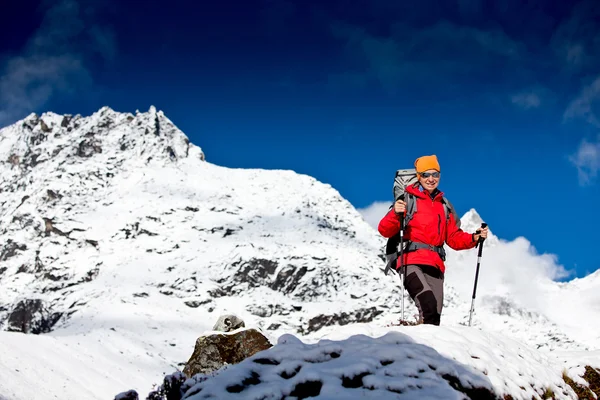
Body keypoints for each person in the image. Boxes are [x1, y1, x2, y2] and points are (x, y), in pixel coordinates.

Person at [378, 155, 489, 326]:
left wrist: (474, 238)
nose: (431, 179)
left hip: (435, 265)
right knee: (428, 305)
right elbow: (384, 230)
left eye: (435, 174)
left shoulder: (444, 206)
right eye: (426, 174)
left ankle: (421, 351)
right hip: (410, 261)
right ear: (419, 176)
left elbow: (453, 238)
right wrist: (395, 213)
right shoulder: (407, 199)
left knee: (434, 318)